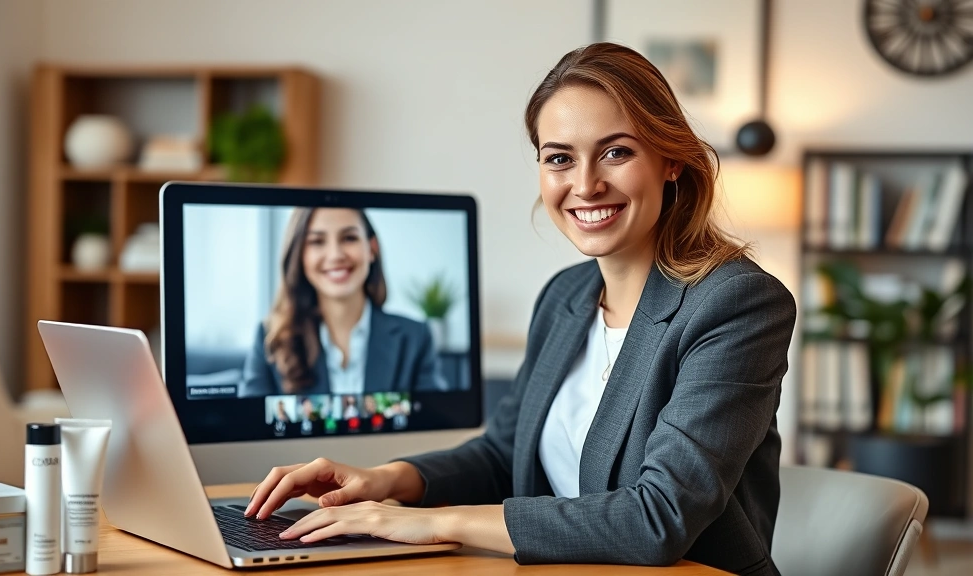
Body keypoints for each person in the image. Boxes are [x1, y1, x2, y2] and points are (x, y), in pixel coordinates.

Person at [244, 43, 795, 574]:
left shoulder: (737, 304)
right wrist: (384, 481)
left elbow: (658, 518)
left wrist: (435, 523)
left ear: (670, 160)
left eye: (616, 152)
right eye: (560, 159)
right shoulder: (565, 297)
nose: (586, 184)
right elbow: (502, 455)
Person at [238, 207, 449, 397]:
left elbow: (436, 424)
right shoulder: (269, 340)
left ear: (372, 249)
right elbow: (249, 431)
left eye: (349, 238)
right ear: (300, 255)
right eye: (317, 242)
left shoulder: (415, 338)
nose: (336, 255)